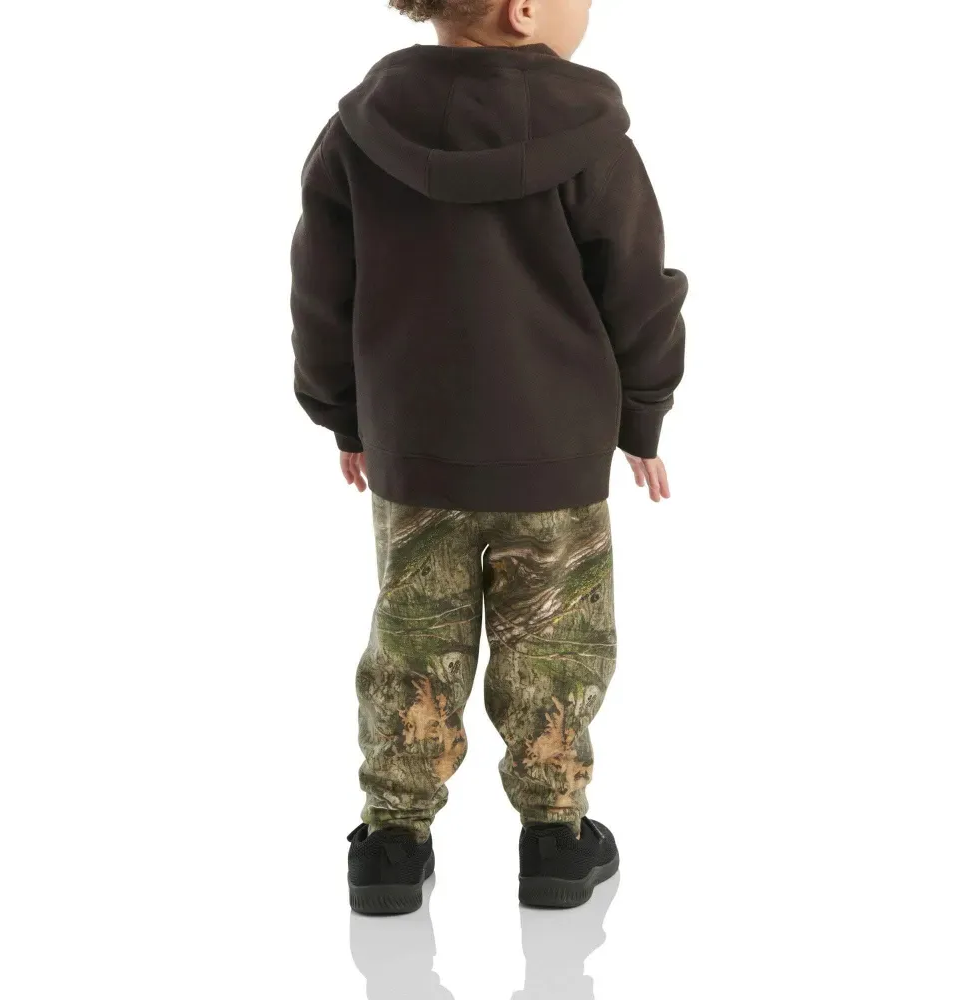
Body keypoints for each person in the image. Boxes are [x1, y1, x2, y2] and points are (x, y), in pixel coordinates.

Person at [290, 0, 687, 915]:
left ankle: (391, 848)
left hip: (414, 450)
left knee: (412, 640)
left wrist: (342, 414)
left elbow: (321, 286)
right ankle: (555, 841)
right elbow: (637, 286)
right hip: (555, 454)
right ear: (524, 9)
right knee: (556, 643)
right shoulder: (590, 135)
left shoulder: (359, 131)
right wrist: (644, 413)